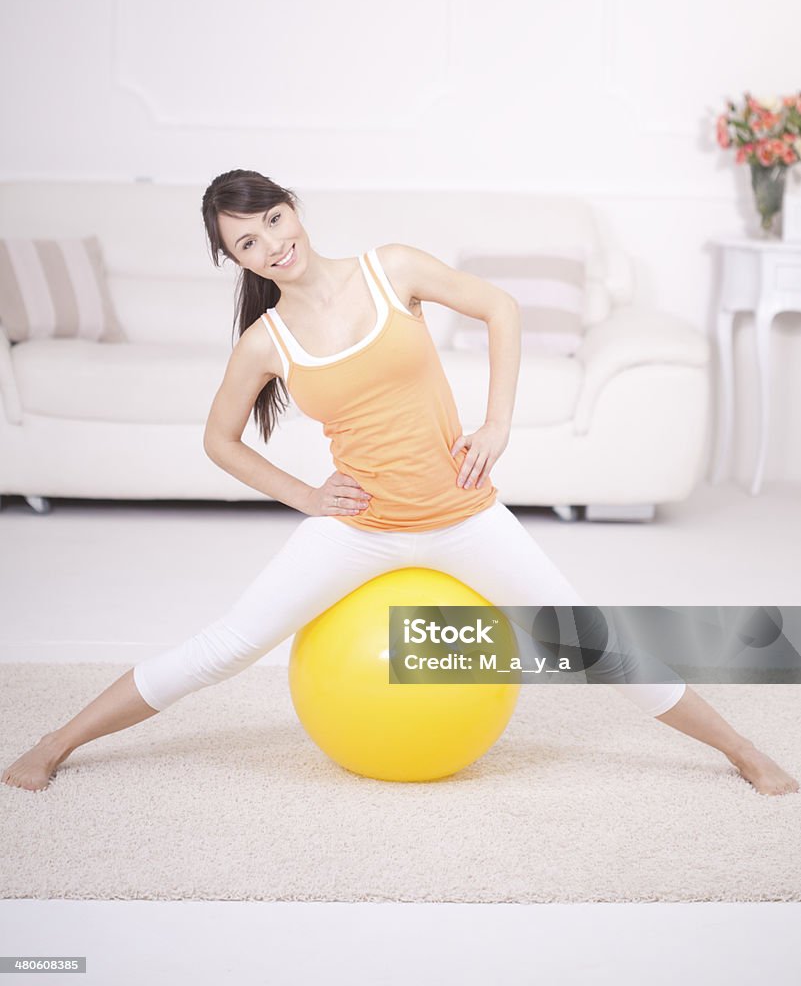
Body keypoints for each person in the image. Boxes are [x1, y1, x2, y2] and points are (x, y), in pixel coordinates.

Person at [2, 170, 797, 797]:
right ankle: (55, 743)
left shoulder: (393, 270)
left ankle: (741, 751)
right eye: (247, 244)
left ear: (292, 209)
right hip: (360, 526)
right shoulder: (265, 341)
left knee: (595, 644)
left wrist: (495, 425)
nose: (271, 244)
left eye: (273, 220)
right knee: (227, 646)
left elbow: (500, 306)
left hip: (463, 515)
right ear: (237, 261)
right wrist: (306, 496)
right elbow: (218, 439)